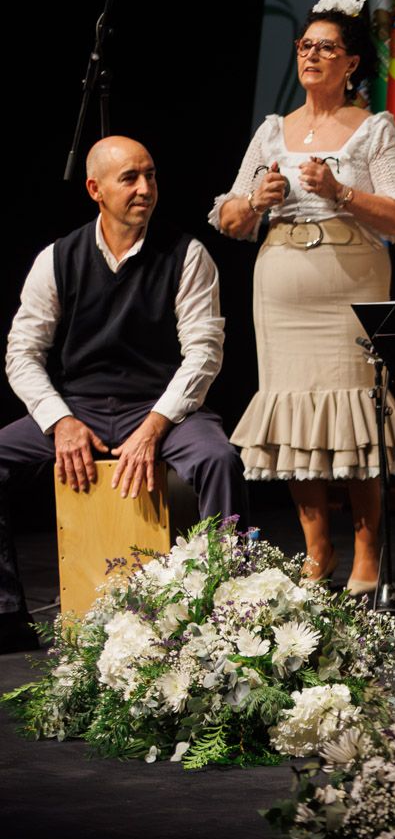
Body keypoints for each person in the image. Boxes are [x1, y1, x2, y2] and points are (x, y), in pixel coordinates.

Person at [211, 0, 395, 594]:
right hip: (281, 285)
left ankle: (365, 551)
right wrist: (255, 200)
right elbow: (226, 217)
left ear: (351, 62)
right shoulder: (273, 129)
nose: (311, 56)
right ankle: (316, 549)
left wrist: (341, 194)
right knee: (297, 413)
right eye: (305, 45)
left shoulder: (373, 129)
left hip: (349, 281)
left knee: (355, 415)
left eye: (326, 47)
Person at [1, 137, 245, 652]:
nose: (145, 188)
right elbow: (22, 353)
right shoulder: (58, 258)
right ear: (95, 189)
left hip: (160, 407)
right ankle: (5, 613)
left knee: (220, 459)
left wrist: (155, 425)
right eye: (129, 178)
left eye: (150, 176)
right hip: (82, 408)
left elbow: (203, 353)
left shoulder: (186, 254)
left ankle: (230, 613)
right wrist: (60, 421)